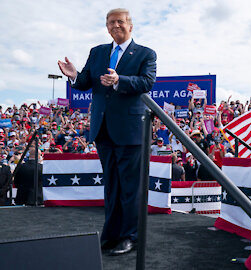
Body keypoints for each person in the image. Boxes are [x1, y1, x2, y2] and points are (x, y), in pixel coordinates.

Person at [58, 8, 156, 256]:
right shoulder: (98, 52)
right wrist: (73, 76)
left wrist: (120, 80)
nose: (115, 26)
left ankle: (129, 237)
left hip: (131, 131)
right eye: (111, 22)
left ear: (130, 26)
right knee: (111, 186)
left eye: (120, 22)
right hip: (102, 130)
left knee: (130, 188)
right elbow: (84, 83)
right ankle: (110, 235)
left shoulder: (146, 54)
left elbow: (146, 82)